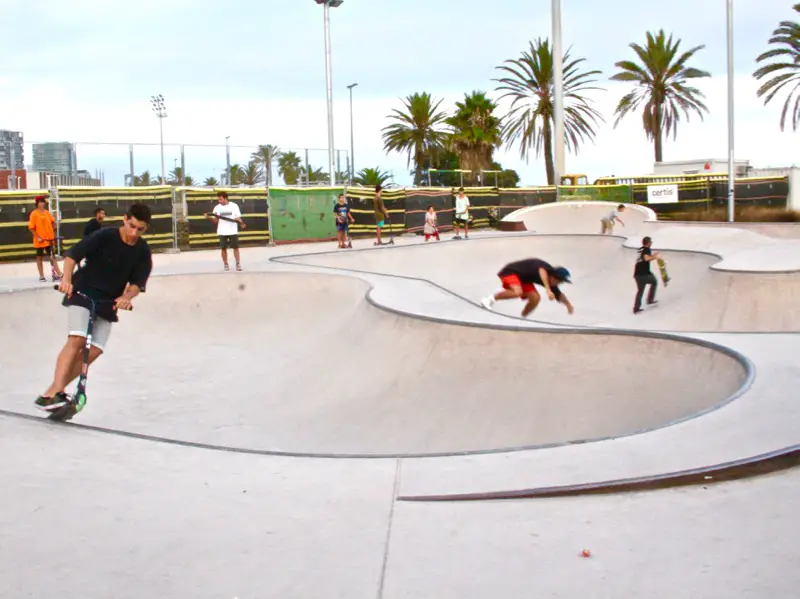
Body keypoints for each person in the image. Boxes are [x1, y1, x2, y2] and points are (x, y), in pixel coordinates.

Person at [34, 203, 153, 413]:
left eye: (140, 229)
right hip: (83, 292)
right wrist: (66, 280)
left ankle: (54, 390)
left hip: (108, 302)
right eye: (132, 226)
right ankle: (56, 391)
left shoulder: (142, 251)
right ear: (125, 219)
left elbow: (137, 283)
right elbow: (72, 256)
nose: (134, 233)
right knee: (77, 339)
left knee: (96, 349)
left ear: (146, 228)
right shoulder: (105, 236)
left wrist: (126, 297)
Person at [481, 258, 575, 318]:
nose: (558, 284)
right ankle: (490, 299)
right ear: (553, 276)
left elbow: (559, 295)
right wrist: (547, 289)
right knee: (518, 292)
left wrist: (568, 305)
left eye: (561, 282)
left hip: (524, 280)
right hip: (511, 272)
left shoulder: (552, 284)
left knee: (536, 298)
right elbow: (541, 271)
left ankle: (522, 318)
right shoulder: (545, 268)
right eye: (558, 281)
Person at [205, 191, 246, 271]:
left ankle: (238, 264)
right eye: (218, 200)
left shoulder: (234, 206)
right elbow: (215, 221)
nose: (219, 201)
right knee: (223, 249)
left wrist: (241, 223)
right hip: (222, 231)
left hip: (232, 231)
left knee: (235, 248)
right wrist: (208, 217)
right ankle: (226, 264)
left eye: (221, 199)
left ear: (226, 198)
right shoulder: (217, 207)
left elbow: (237, 217)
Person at [28, 195, 63, 283]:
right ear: (37, 203)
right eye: (40, 202)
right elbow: (31, 228)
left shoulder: (47, 213)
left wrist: (54, 228)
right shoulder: (34, 214)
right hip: (40, 240)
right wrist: (38, 237)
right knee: (39, 257)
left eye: (43, 202)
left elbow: (53, 222)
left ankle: (59, 273)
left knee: (52, 257)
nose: (42, 204)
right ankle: (41, 275)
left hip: (49, 239)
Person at [633, 236, 661, 314]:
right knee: (654, 281)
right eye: (651, 242)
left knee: (640, 291)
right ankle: (650, 300)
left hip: (637, 274)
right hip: (643, 274)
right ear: (648, 243)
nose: (651, 243)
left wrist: (652, 255)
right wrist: (655, 257)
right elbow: (646, 258)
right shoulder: (647, 249)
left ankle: (636, 308)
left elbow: (643, 258)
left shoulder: (640, 249)